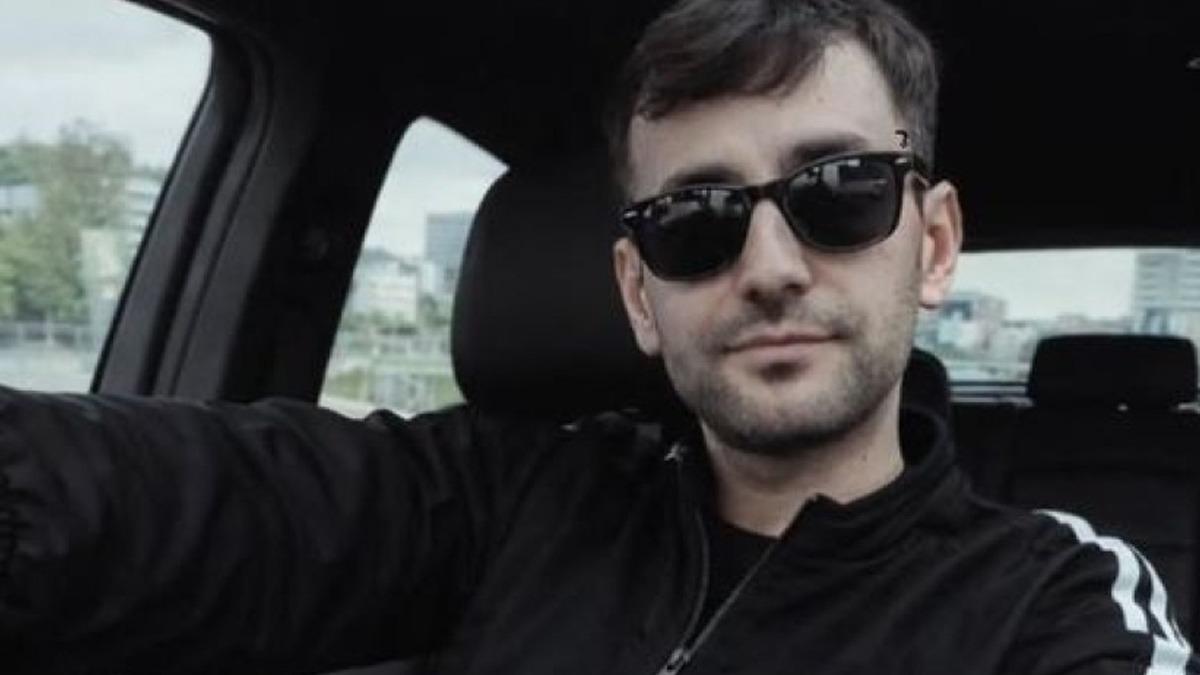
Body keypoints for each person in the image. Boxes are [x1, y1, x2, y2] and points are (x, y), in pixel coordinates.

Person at [0, 0, 1195, 673]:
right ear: (637, 290)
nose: (771, 266)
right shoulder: (505, 501)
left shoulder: (1055, 599)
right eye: (695, 221)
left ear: (932, 245)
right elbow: (180, 500)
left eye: (839, 192)